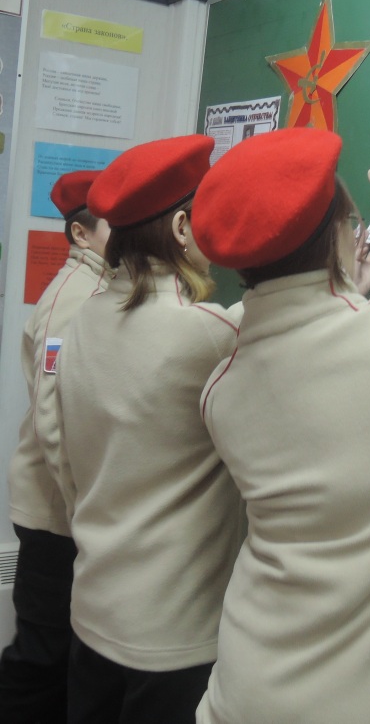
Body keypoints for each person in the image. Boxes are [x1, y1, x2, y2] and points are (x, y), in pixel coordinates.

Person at [191, 127, 370, 724]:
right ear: (341, 237)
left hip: (250, 692)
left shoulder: (221, 392)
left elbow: (291, 331)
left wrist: (346, 285)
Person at [54, 135, 244, 724]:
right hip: (171, 635)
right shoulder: (207, 333)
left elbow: (62, 460)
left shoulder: (82, 319)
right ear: (182, 227)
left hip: (94, 609)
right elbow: (276, 333)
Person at [0, 170, 111, 724]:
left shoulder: (101, 285)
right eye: (113, 223)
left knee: (63, 655)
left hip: (66, 511)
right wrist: (80, 507)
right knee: (41, 658)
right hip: (55, 515)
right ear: (80, 234)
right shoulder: (75, 295)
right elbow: (52, 415)